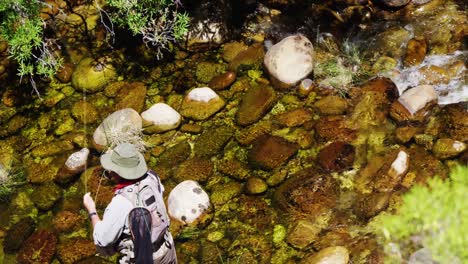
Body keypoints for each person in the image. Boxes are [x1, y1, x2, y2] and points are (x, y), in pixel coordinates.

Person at [83, 142, 177, 264]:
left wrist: (92, 211)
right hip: (167, 248)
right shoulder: (152, 176)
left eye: (112, 168)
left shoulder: (121, 202)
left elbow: (103, 239)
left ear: (118, 172)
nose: (109, 172)